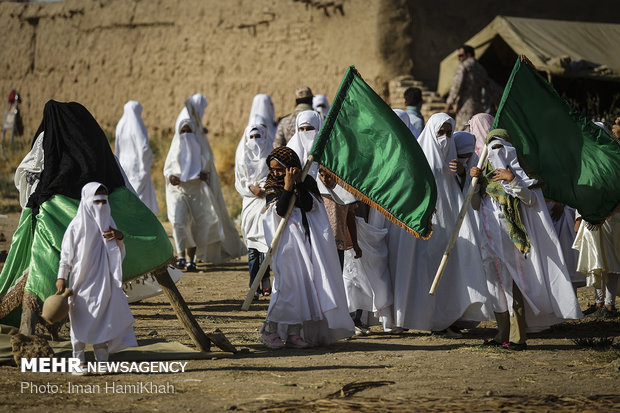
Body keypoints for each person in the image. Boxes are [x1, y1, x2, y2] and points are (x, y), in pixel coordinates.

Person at [470, 129, 582, 350]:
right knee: (496, 289)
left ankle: (517, 337)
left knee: (514, 287)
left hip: (513, 242)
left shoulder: (521, 173)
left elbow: (531, 200)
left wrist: (513, 180)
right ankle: (501, 333)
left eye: (500, 148)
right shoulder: (485, 178)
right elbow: (474, 205)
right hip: (490, 241)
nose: (496, 153)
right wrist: (474, 182)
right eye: (491, 148)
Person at [386, 113, 491, 335]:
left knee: (451, 272)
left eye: (448, 133)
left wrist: (462, 174)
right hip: (426, 227)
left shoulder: (453, 161)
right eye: (440, 133)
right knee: (424, 271)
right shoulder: (418, 160)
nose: (444, 138)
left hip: (451, 225)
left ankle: (448, 319)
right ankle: (425, 319)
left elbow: (462, 192)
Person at [260, 147, 354, 348]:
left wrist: (299, 185)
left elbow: (310, 206)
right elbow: (280, 210)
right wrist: (286, 186)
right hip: (285, 245)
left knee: (304, 288)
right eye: (273, 169)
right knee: (286, 288)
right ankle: (269, 330)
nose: (276, 173)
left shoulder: (307, 182)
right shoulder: (271, 185)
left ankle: (294, 333)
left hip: (306, 242)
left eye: (280, 169)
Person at [56, 182, 137, 375]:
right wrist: (62, 277)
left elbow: (118, 250)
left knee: (102, 319)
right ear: (86, 202)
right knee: (79, 318)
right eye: (96, 202)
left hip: (104, 281)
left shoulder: (109, 223)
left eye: (104, 202)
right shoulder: (76, 226)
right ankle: (79, 361)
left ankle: (102, 361)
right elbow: (66, 255)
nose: (101, 206)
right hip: (80, 282)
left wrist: (119, 236)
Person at [164, 118, 222, 272]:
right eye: (183, 131)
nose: (186, 134)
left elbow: (210, 171)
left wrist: (204, 176)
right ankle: (180, 255)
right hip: (178, 191)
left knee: (195, 225)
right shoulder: (174, 148)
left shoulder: (202, 151)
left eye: (189, 131)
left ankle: (191, 259)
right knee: (178, 222)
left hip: (197, 191)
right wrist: (171, 178)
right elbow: (167, 170)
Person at [317, 166, 365, 334]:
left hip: (338, 245)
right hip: (321, 245)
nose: (325, 179)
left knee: (337, 282)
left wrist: (356, 244)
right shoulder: (317, 193)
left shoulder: (345, 194)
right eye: (321, 175)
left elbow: (350, 219)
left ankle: (339, 322)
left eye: (329, 176)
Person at [235, 123, 271, 298]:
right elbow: (239, 182)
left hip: (266, 202)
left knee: (265, 245)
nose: (255, 141)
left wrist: (264, 188)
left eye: (259, 137)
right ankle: (253, 285)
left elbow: (274, 174)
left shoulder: (270, 153)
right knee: (252, 248)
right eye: (252, 137)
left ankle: (265, 282)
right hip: (249, 204)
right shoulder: (242, 157)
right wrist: (251, 189)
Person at [115, 100, 159, 214]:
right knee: (140, 197)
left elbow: (117, 147)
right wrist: (146, 164)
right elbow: (143, 147)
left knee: (129, 194)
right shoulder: (136, 124)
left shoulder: (121, 125)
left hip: (124, 164)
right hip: (137, 166)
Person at [445, 45, 501, 131]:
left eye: (461, 55)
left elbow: (456, 86)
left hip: (465, 106)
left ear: (468, 55)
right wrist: (498, 102)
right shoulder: (480, 68)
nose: (459, 58)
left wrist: (449, 103)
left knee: (463, 132)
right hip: (478, 106)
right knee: (476, 131)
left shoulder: (464, 66)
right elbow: (489, 86)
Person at [287, 110, 322, 178]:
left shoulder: (326, 150)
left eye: (309, 129)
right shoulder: (291, 149)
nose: (305, 132)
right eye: (301, 129)